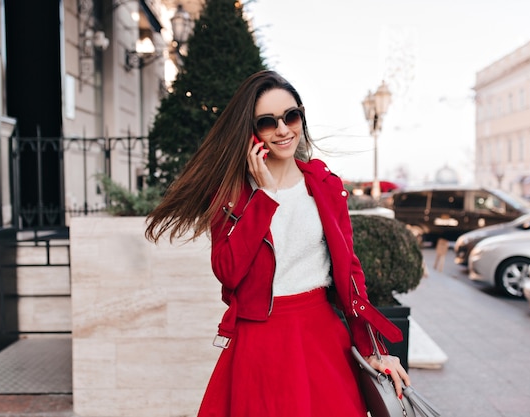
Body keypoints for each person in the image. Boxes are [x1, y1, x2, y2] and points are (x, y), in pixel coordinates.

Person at [145, 70, 410, 417]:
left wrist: (372, 347)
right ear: (252, 132)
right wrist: (264, 197)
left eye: (291, 116)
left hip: (323, 338)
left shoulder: (324, 184)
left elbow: (350, 273)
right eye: (268, 122)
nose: (283, 129)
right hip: (261, 343)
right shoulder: (233, 195)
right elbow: (228, 272)